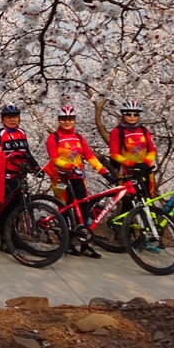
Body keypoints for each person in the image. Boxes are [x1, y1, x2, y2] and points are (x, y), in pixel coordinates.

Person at [46, 104, 116, 258]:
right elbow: (55, 159)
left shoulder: (79, 137)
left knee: (83, 211)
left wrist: (105, 173)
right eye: (64, 119)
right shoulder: (54, 137)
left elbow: (90, 157)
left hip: (78, 178)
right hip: (61, 179)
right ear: (59, 120)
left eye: (70, 119)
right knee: (64, 210)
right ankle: (67, 243)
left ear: (74, 120)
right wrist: (70, 166)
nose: (67, 122)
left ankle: (85, 245)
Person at [0, 104, 42, 253]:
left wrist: (36, 167)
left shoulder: (22, 133)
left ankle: (14, 239)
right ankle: (4, 241)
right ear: (3, 120)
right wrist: (1, 154)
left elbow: (27, 153)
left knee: (17, 209)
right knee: (4, 210)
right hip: (3, 176)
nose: (12, 120)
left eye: (15, 117)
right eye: (9, 117)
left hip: (19, 175)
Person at [108, 100, 156, 198]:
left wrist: (147, 163)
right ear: (123, 115)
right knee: (129, 205)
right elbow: (114, 154)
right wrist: (131, 164)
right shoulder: (117, 131)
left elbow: (152, 150)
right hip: (127, 173)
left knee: (147, 201)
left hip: (144, 171)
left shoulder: (143, 130)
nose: (132, 117)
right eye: (129, 114)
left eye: (136, 114)